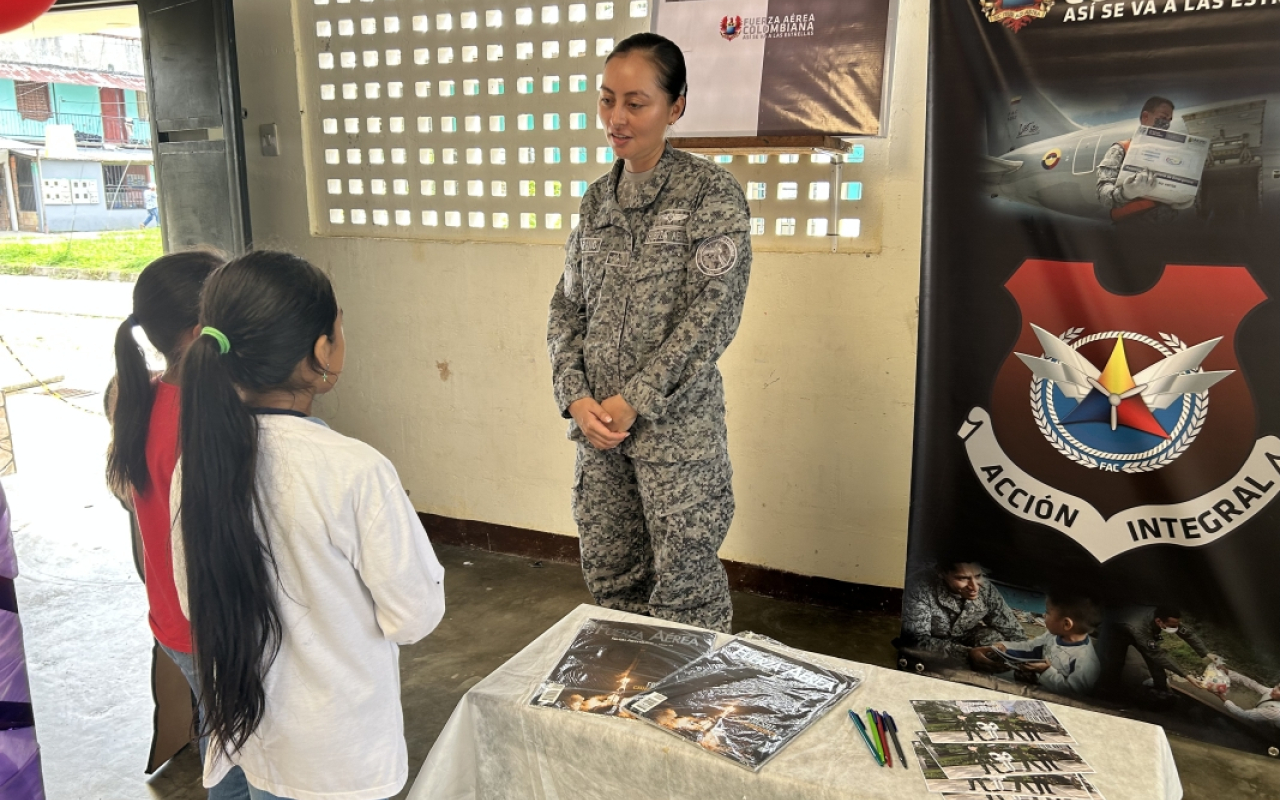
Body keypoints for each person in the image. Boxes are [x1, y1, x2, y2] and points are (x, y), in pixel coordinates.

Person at [171, 251, 446, 800]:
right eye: (338, 330)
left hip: (243, 740)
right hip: (333, 759)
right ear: (321, 352)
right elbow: (414, 616)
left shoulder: (197, 462)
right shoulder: (356, 470)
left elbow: (189, 600)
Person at [546, 32, 752, 633]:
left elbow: (712, 318)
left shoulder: (710, 197)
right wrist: (575, 397)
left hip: (675, 439)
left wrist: (632, 400)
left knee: (686, 592)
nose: (616, 118)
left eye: (636, 103)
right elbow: (566, 308)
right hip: (600, 436)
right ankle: (622, 714)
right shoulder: (596, 202)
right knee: (612, 581)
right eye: (607, 100)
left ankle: (689, 716)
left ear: (676, 106)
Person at [105, 250, 250, 799]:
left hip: (172, 619)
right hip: (210, 626)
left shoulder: (135, 393)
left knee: (227, 739)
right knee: (238, 758)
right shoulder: (210, 415)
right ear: (198, 333)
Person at [898, 561, 1024, 671]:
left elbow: (1012, 630)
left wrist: (1028, 658)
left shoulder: (986, 589)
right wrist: (967, 654)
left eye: (978, 576)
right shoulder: (918, 587)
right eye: (963, 578)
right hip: (932, 643)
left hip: (966, 636)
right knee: (914, 656)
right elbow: (915, 640)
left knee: (997, 642)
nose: (974, 587)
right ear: (941, 573)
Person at [1095, 96, 1195, 224]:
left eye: (1169, 120)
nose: (1166, 123)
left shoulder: (1172, 155)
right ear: (1145, 117)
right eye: (1163, 117)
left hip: (1167, 229)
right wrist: (1126, 193)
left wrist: (1182, 199)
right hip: (1131, 227)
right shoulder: (1121, 149)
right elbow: (1102, 195)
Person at [983, 593, 1103, 696]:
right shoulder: (1054, 635)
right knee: (989, 673)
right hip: (1034, 680)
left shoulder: (1086, 662)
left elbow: (1072, 694)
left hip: (1052, 698)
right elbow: (1031, 647)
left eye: (1048, 613)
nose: (1044, 616)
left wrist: (1045, 671)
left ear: (1066, 624)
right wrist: (1006, 648)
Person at [1096, 605, 1218, 699]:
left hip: (1143, 630)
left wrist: (1206, 653)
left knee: (1155, 663)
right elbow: (1157, 654)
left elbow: (1188, 633)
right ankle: (1107, 694)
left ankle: (1161, 690)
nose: (1175, 628)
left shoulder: (1167, 617)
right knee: (1114, 663)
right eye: (1172, 626)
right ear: (1159, 622)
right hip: (1118, 631)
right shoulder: (1140, 628)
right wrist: (1186, 675)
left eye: (1177, 624)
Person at [1211, 670, 1280, 729]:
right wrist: (1227, 672)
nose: (1274, 689)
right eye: (1277, 686)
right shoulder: (1272, 691)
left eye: (1279, 689)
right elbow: (1252, 684)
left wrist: (1221, 697)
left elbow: (1244, 714)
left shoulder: (1276, 712)